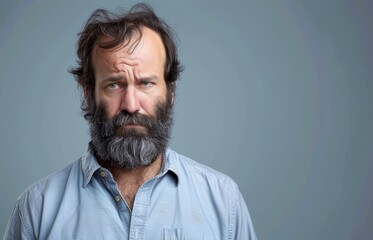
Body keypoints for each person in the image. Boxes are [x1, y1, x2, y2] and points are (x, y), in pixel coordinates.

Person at [3, 3, 256, 240]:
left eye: (146, 83)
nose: (131, 104)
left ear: (171, 92)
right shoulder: (36, 211)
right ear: (88, 93)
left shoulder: (223, 202)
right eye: (114, 84)